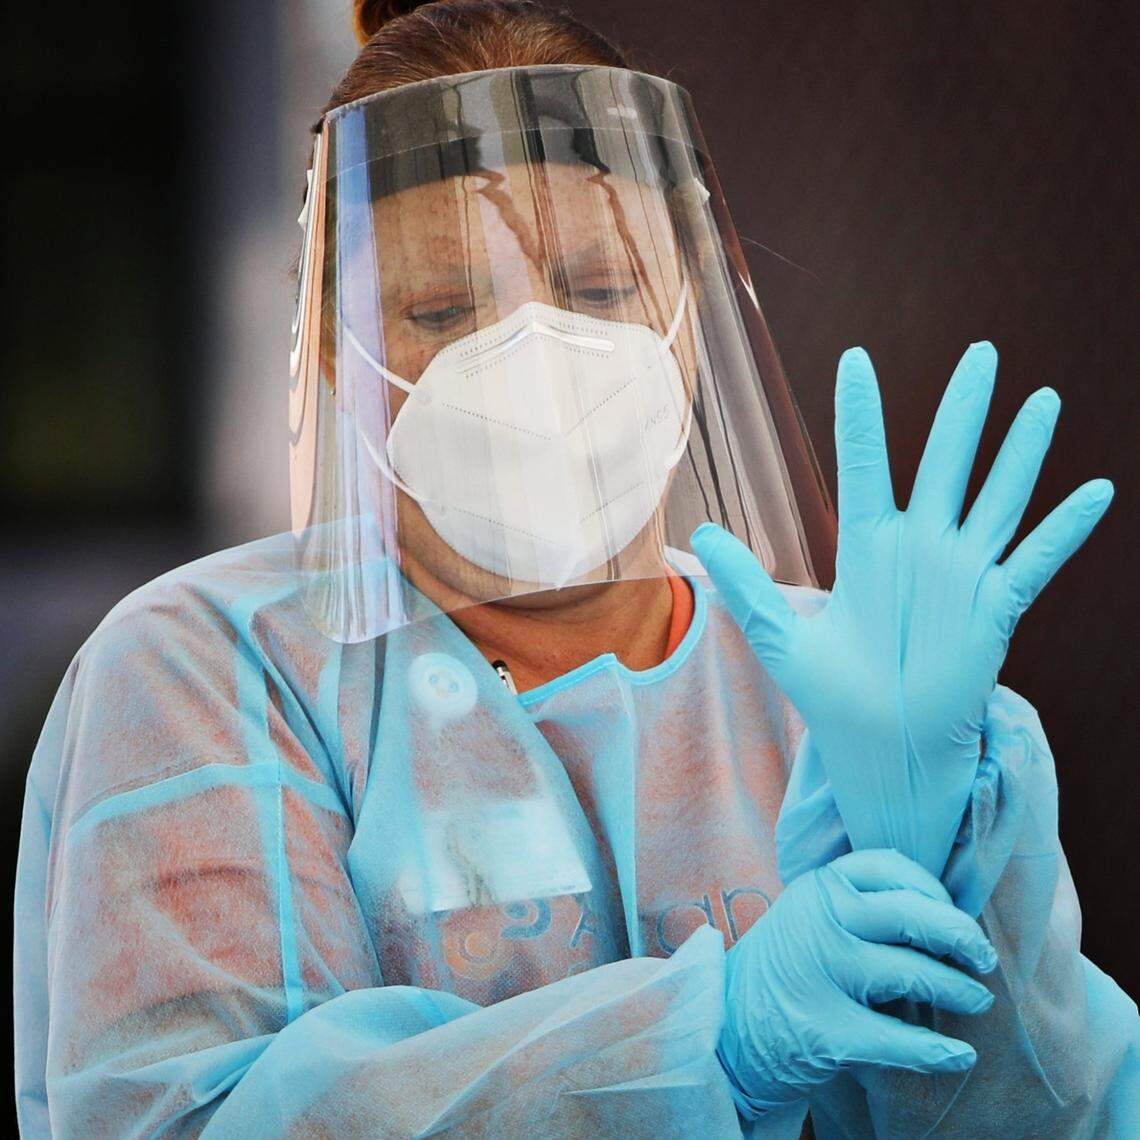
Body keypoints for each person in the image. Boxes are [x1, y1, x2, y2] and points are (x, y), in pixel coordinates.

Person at [13, 1, 1138, 1136]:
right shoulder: (209, 678)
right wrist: (712, 1039)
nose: (537, 358)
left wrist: (941, 856)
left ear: (690, 306)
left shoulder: (839, 684)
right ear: (340, 353)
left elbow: (1063, 1121)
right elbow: (190, 1120)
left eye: (602, 291)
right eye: (445, 310)